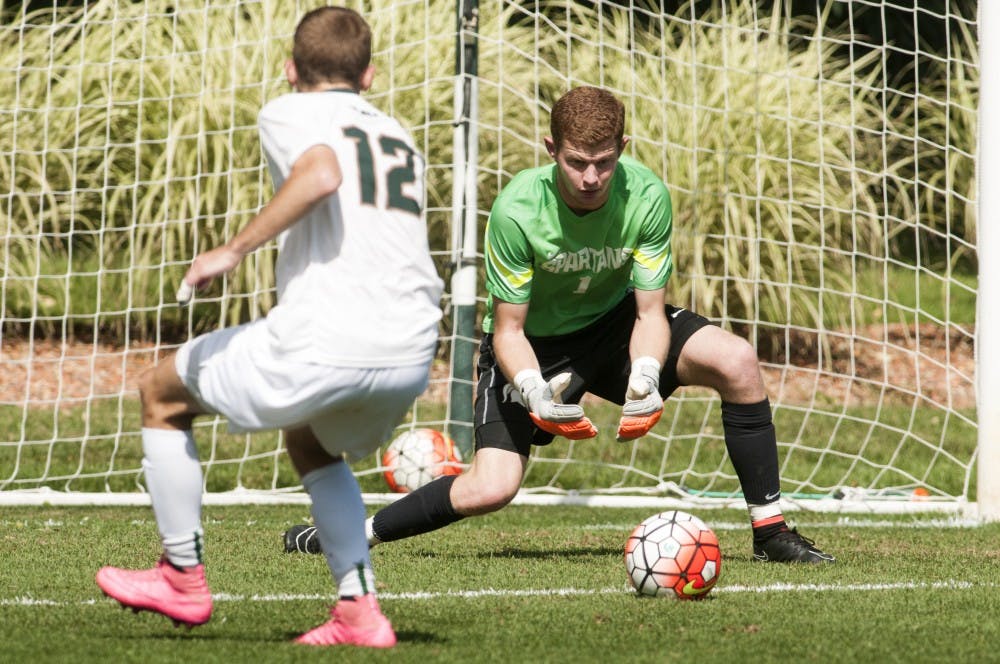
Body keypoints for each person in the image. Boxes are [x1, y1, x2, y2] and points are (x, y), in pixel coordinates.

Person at [285, 85, 834, 564]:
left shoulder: (646, 196)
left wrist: (644, 372)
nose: (591, 177)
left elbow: (648, 313)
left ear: (622, 148)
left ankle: (771, 533)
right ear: (552, 151)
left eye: (603, 161)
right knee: (491, 487)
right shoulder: (517, 211)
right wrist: (531, 390)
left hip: (617, 327)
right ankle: (347, 536)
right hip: (535, 347)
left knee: (736, 360)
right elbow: (507, 332)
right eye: (576, 162)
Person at [95, 6, 443, 648]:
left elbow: (321, 173)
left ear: (290, 69)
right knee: (311, 443)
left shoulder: (291, 110)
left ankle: (179, 574)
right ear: (369, 76)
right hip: (413, 346)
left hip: (331, 337)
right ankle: (358, 610)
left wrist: (233, 249)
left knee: (160, 394)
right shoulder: (398, 136)